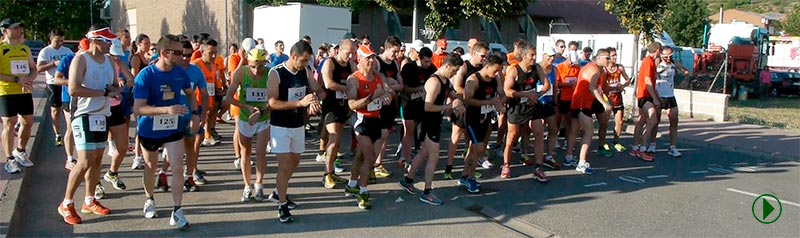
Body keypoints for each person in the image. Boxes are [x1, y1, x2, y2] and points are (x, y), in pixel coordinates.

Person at [133, 34, 198, 230]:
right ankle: (149, 199)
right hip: (149, 129)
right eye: (177, 53)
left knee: (178, 167)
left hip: (173, 127)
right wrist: (165, 110)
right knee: (150, 166)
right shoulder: (146, 75)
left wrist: (195, 114)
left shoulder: (180, 73)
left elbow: (190, 93)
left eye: (183, 53)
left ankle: (177, 211)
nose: (182, 56)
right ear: (164, 53)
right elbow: (138, 109)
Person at [57, 26, 121, 225]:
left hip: (102, 114)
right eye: (106, 40)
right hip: (83, 114)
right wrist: (103, 93)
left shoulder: (110, 60)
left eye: (111, 41)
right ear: (95, 40)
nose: (110, 44)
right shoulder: (81, 59)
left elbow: (112, 85)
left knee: (97, 159)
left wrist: (117, 88)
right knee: (84, 160)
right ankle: (66, 203)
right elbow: (74, 88)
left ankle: (89, 200)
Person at [267, 40, 325, 223]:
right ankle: (282, 206)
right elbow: (272, 103)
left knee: (294, 162)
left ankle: (278, 192)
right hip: (280, 126)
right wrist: (300, 103)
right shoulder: (276, 73)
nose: (307, 63)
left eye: (308, 60)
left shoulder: (305, 71)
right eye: (304, 60)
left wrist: (315, 100)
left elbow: (320, 91)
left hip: (298, 125)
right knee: (284, 166)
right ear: (294, 57)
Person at [397, 53, 464, 205]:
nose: (454, 73)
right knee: (434, 157)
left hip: (436, 121)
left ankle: (408, 180)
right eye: (454, 70)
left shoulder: (445, 79)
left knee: (423, 153)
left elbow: (453, 94)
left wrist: (459, 103)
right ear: (447, 66)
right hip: (429, 122)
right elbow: (427, 107)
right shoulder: (434, 82)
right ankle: (427, 192)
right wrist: (449, 107)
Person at [344, 44, 394, 210]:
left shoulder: (379, 76)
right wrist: (372, 97)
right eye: (368, 58)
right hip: (362, 122)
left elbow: (389, 92)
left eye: (373, 57)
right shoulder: (354, 79)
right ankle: (363, 192)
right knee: (370, 158)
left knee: (361, 155)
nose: (371, 61)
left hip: (377, 121)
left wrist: (387, 95)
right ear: (360, 59)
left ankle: (351, 184)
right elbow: (351, 105)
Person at [225, 48, 271, 201]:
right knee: (246, 152)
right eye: (252, 66)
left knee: (261, 152)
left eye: (260, 66)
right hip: (246, 117)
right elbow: (229, 98)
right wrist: (247, 107)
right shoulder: (241, 73)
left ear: (265, 63)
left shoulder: (270, 74)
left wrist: (262, 108)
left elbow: (275, 98)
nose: (256, 70)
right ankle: (247, 186)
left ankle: (259, 184)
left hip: (263, 117)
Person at [501, 44, 549, 181]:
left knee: (539, 132)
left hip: (532, 105)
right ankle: (506, 164)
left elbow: (546, 85)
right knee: (512, 136)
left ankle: (538, 167)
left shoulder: (537, 68)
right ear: (523, 56)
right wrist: (526, 95)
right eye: (531, 55)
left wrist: (536, 95)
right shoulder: (514, 70)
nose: (534, 58)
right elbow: (507, 91)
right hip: (516, 106)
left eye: (535, 55)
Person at [445, 41, 490, 180]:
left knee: (473, 140)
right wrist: (470, 95)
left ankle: (469, 168)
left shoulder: (484, 68)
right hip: (463, 106)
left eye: (486, 56)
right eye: (482, 56)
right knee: (456, 136)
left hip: (476, 108)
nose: (484, 59)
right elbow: (457, 86)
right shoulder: (465, 66)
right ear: (473, 53)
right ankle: (448, 167)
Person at [98, 38, 136, 196]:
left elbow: (131, 80)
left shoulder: (118, 62)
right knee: (97, 151)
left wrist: (121, 83)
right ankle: (96, 183)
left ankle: (112, 173)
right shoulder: (95, 63)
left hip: (115, 107)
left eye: (117, 55)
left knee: (122, 146)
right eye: (113, 54)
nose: (115, 58)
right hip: (98, 109)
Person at [462, 54, 505, 188]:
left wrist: (500, 101)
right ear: (487, 66)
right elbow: (467, 99)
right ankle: (469, 178)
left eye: (499, 70)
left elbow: (501, 93)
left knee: (474, 150)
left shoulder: (495, 78)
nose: (497, 73)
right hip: (472, 118)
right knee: (478, 148)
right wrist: (488, 102)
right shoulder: (473, 80)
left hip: (485, 117)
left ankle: (465, 175)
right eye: (495, 70)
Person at [0, 18, 37, 174]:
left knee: (28, 122)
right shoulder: (1, 48)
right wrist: (16, 79)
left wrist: (29, 79)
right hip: (6, 91)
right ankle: (9, 159)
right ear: (5, 31)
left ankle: (20, 150)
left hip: (24, 91)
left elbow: (33, 69)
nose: (19, 30)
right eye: (15, 28)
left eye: (20, 28)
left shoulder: (24, 49)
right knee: (9, 123)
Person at [318, 39, 356, 188]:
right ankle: (326, 174)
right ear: (340, 50)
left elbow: (356, 78)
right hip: (330, 106)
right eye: (348, 53)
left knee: (337, 140)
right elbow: (328, 84)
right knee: (333, 139)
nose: (351, 56)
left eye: (353, 53)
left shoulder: (351, 65)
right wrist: (346, 88)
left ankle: (332, 171)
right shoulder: (330, 63)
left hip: (343, 106)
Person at [570, 48, 613, 174]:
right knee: (589, 132)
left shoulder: (599, 70)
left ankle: (569, 157)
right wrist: (604, 103)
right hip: (582, 103)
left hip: (580, 102)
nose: (609, 60)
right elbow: (592, 88)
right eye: (607, 58)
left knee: (575, 131)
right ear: (598, 58)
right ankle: (582, 163)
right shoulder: (594, 69)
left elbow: (599, 87)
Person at [398, 47, 436, 174]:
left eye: (430, 61)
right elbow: (404, 89)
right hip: (408, 102)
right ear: (419, 58)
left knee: (422, 133)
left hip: (423, 104)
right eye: (425, 61)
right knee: (409, 130)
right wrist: (420, 89)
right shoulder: (409, 68)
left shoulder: (432, 69)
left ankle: (416, 157)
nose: (428, 64)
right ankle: (406, 159)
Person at [177, 40, 209, 190]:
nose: (185, 58)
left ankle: (190, 176)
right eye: (182, 55)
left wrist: (203, 114)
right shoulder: (170, 69)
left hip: (190, 114)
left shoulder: (195, 71)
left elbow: (204, 94)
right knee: (174, 149)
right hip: (171, 116)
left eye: (188, 55)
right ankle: (163, 174)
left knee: (191, 146)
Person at [54, 39, 89, 170]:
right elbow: (57, 79)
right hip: (69, 98)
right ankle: (69, 158)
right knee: (71, 127)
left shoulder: (89, 60)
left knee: (84, 128)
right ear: (79, 48)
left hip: (85, 99)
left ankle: (83, 156)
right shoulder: (68, 59)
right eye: (83, 50)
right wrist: (72, 82)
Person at [37, 29, 74, 147]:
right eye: (57, 41)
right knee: (55, 109)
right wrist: (53, 63)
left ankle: (70, 132)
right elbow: (39, 68)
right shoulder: (45, 51)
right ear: (51, 39)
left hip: (66, 82)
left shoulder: (67, 51)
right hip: (53, 82)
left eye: (62, 41)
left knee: (68, 109)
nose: (60, 44)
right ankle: (57, 134)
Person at [374, 36, 404, 178]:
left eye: (398, 51)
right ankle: (373, 164)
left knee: (385, 136)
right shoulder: (377, 62)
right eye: (394, 51)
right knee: (380, 135)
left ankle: (378, 164)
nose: (396, 55)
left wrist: (390, 84)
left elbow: (401, 85)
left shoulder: (395, 64)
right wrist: (389, 85)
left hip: (391, 104)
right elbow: (377, 83)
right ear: (387, 48)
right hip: (380, 104)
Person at [651, 47, 689, 158]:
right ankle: (652, 144)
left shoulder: (674, 63)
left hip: (670, 95)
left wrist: (684, 80)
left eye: (670, 56)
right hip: (659, 95)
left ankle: (672, 147)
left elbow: (686, 72)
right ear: (661, 56)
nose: (668, 59)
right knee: (655, 121)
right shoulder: (657, 62)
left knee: (674, 120)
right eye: (666, 57)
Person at [630, 42, 662, 162]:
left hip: (645, 94)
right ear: (658, 51)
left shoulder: (651, 62)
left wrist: (656, 96)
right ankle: (642, 148)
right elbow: (647, 80)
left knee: (641, 120)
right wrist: (654, 98)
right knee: (653, 119)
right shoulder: (648, 61)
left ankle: (635, 147)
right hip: (645, 95)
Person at [192, 39, 225, 147]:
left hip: (210, 98)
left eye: (215, 53)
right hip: (197, 100)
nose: (214, 56)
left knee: (210, 116)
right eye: (211, 53)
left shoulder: (214, 65)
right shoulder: (196, 65)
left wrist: (219, 89)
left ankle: (207, 136)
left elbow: (215, 80)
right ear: (203, 52)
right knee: (198, 124)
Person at [537, 47, 562, 171]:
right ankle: (527, 154)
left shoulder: (554, 69)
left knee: (553, 129)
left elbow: (555, 87)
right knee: (535, 131)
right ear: (543, 55)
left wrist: (556, 103)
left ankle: (549, 156)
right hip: (536, 103)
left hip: (549, 102)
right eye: (550, 56)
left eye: (554, 56)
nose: (552, 59)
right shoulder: (536, 68)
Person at [556, 49, 582, 167]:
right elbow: (557, 83)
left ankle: (567, 141)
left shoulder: (577, 68)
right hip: (562, 97)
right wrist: (568, 84)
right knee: (558, 119)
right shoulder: (560, 67)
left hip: (573, 98)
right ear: (567, 59)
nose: (572, 65)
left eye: (574, 63)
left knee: (569, 120)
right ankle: (555, 138)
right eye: (571, 63)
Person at [130, 33, 151, 170]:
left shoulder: (146, 57)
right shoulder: (136, 58)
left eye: (149, 43)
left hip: (148, 94)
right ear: (139, 44)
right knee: (140, 126)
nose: (148, 46)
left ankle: (145, 153)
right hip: (139, 94)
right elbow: (134, 77)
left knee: (147, 125)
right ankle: (137, 157)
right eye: (146, 43)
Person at [604, 47, 632, 153]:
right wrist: (608, 87)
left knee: (619, 121)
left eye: (616, 55)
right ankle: (603, 142)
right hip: (607, 98)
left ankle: (616, 142)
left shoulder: (619, 68)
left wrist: (623, 86)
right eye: (613, 55)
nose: (615, 57)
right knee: (604, 122)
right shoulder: (604, 69)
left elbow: (628, 80)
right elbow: (600, 84)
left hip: (617, 97)